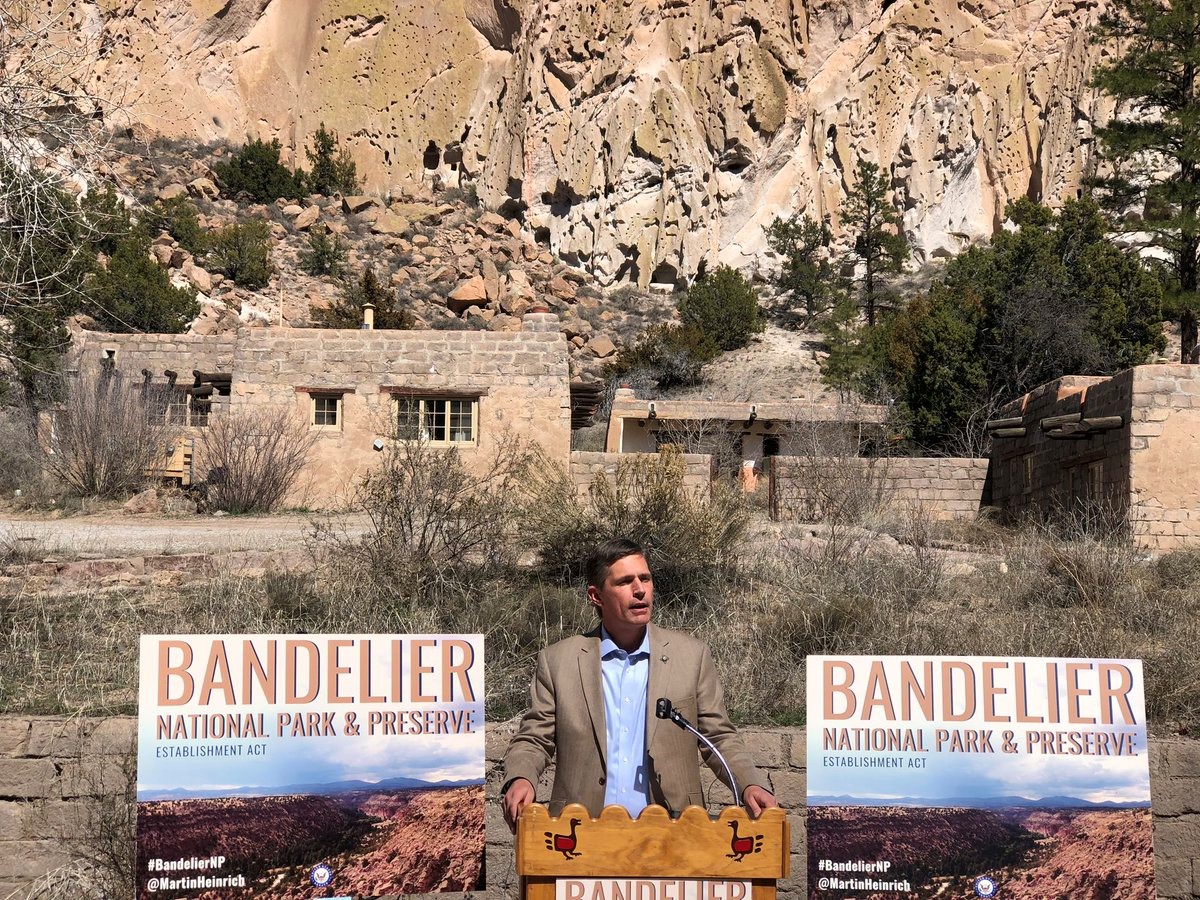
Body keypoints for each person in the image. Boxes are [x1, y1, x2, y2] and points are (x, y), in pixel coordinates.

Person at [502, 538, 777, 827]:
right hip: (583, 833)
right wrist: (521, 778)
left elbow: (718, 737)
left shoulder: (692, 656)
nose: (640, 590)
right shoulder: (559, 661)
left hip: (675, 830)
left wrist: (750, 784)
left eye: (645, 578)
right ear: (596, 596)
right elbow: (535, 738)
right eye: (625, 582)